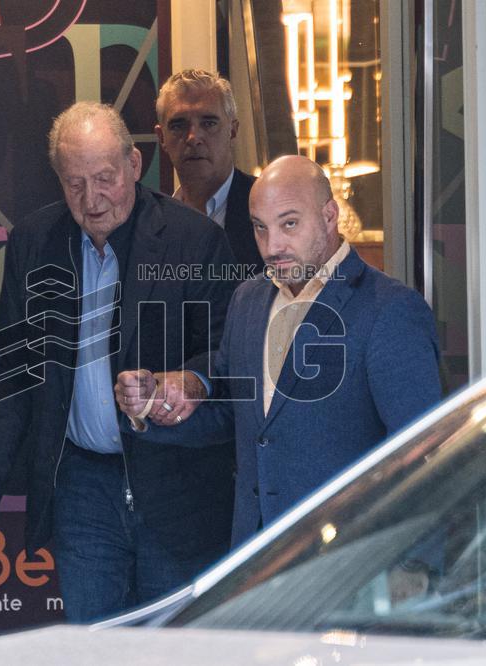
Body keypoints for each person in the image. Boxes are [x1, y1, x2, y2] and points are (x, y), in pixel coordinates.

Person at [0, 102, 237, 622]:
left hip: (176, 485)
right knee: (96, 644)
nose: (92, 198)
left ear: (134, 164)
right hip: (82, 487)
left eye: (104, 178)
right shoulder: (35, 244)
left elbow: (228, 353)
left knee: (175, 648)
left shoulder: (194, 240)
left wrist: (185, 382)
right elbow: (12, 375)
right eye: (74, 183)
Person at [116, 155, 442, 546]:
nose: (273, 247)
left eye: (289, 224)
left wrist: (416, 564)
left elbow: (426, 452)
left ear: (329, 215)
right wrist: (153, 408)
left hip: (350, 560)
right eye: (260, 228)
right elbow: (233, 416)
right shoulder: (248, 300)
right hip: (255, 555)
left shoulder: (389, 309)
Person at [155, 69, 263, 273]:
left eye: (209, 123)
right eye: (179, 125)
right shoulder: (151, 223)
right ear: (161, 137)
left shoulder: (268, 208)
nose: (193, 137)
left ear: (233, 130)